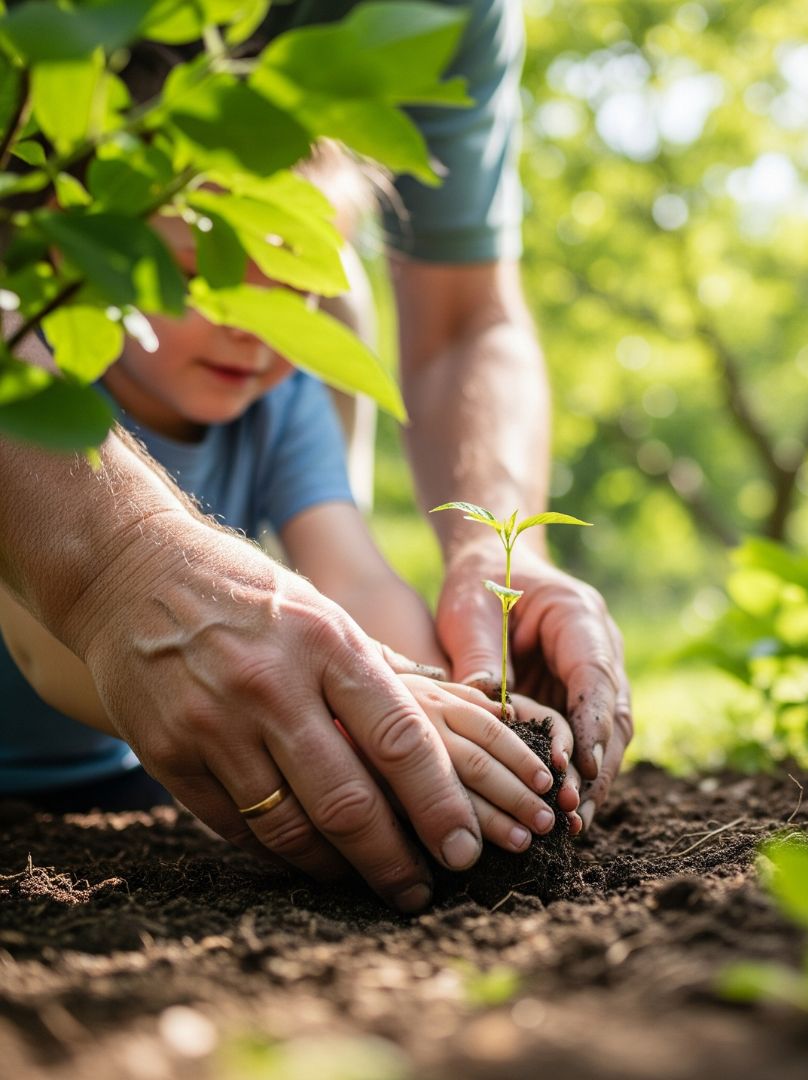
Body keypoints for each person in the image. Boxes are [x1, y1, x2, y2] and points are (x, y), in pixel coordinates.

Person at [0, 0, 631, 912]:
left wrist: (445, 700)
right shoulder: (51, 395)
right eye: (205, 270)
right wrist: (122, 567)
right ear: (91, 253)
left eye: (298, 290)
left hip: (115, 777)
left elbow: (357, 577)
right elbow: (51, 654)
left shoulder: (282, 405)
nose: (251, 326)